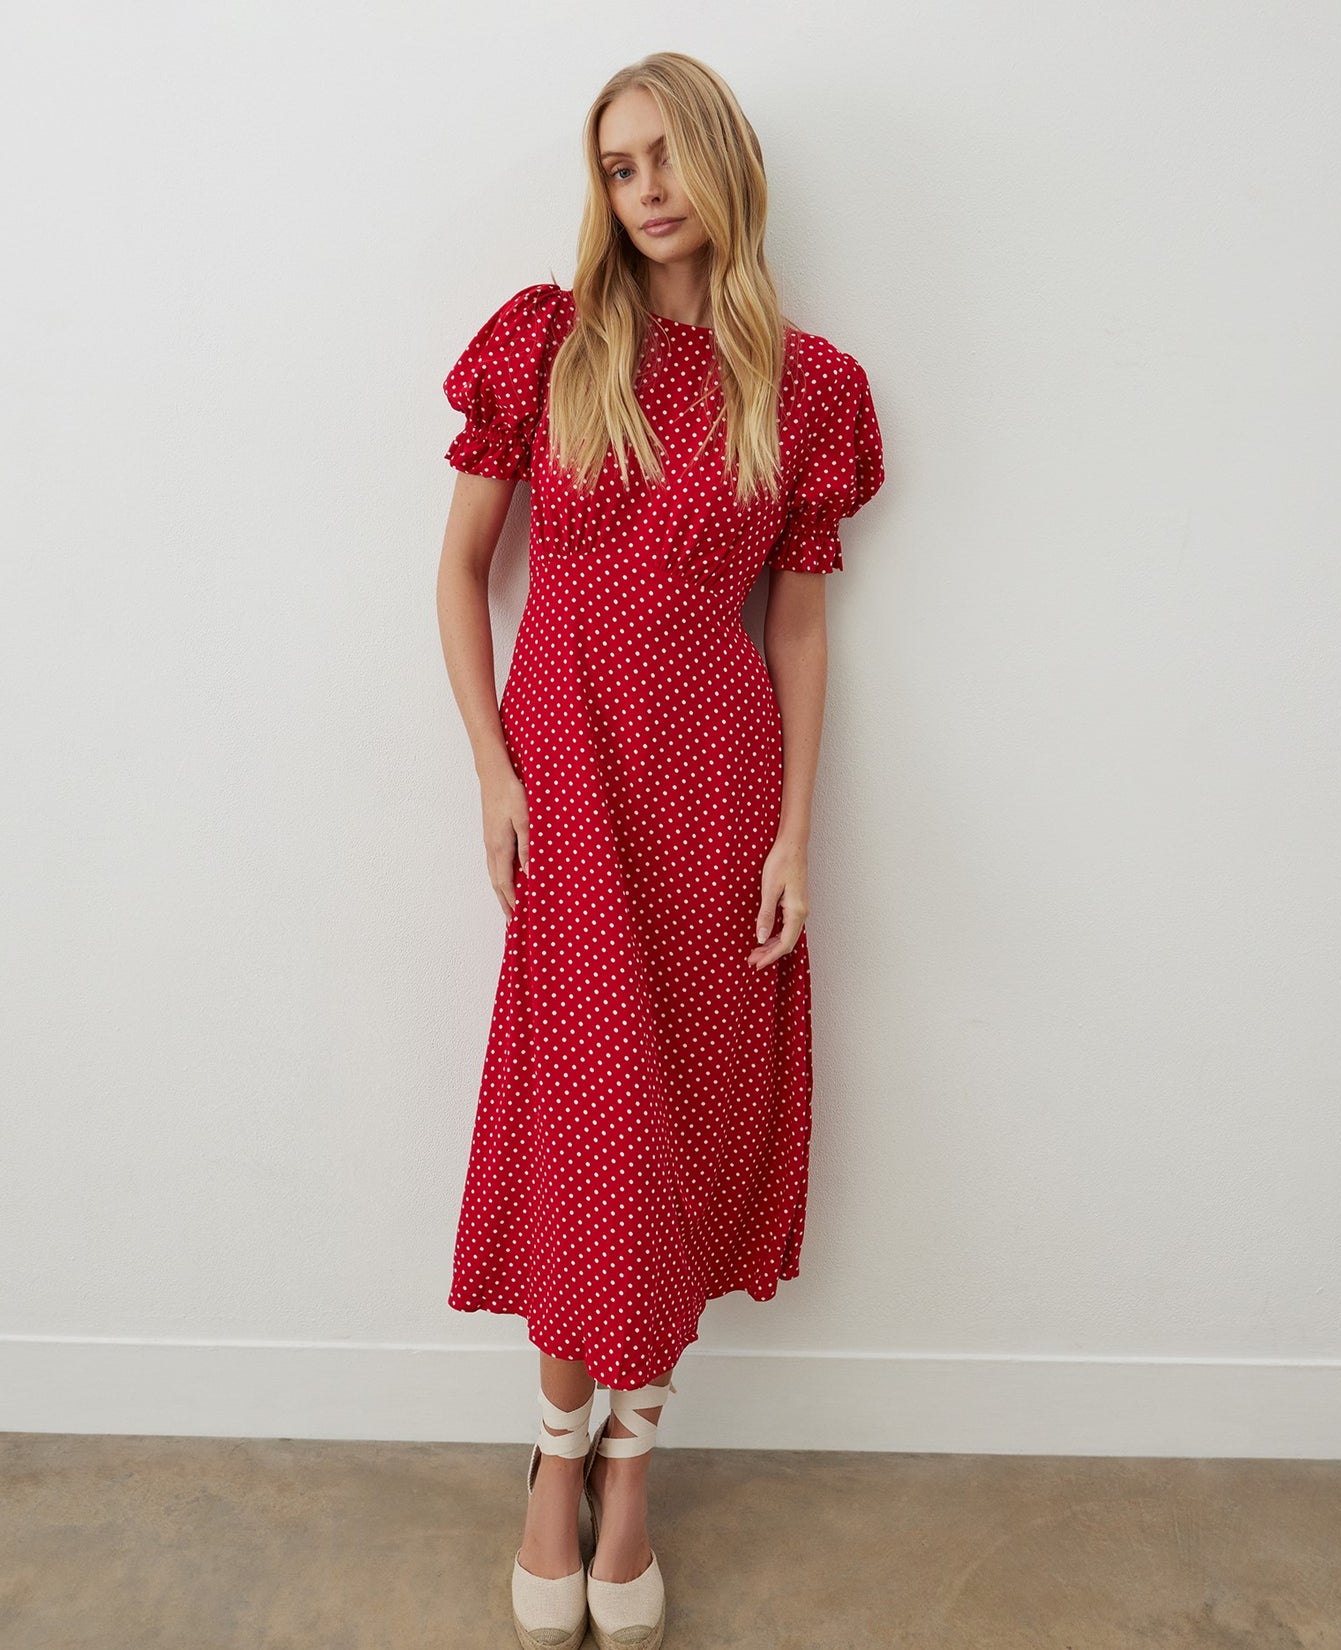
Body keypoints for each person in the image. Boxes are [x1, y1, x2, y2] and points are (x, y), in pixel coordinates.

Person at [435, 49, 885, 1650]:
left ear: (718, 162)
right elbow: (460, 572)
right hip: (568, 782)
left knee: (679, 1119)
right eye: (618, 165)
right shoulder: (548, 345)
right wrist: (493, 771)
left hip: (711, 789)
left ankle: (627, 1469)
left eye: (666, 154)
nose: (645, 187)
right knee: (587, 1124)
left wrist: (794, 835)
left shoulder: (807, 385)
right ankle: (553, 1461)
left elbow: (806, 624)